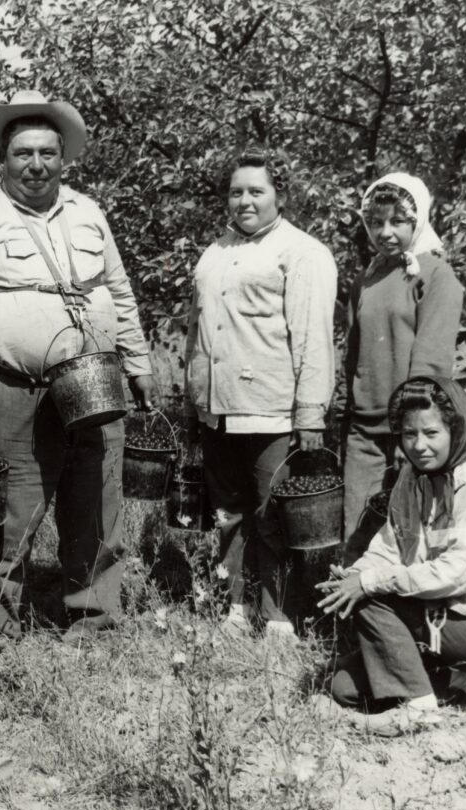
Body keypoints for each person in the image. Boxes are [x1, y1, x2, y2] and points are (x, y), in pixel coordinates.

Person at [0, 90, 156, 640]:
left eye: (47, 154)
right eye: (23, 154)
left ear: (64, 158)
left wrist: (139, 362)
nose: (36, 165)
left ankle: (95, 619)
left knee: (95, 503)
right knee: (11, 511)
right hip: (11, 388)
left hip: (94, 383)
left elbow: (119, 292)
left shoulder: (88, 212)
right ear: (2, 159)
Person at [317, 376, 466, 735]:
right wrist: (351, 577)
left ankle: (418, 709)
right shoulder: (410, 479)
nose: (419, 446)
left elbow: (457, 574)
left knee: (372, 596)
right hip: (433, 613)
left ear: (455, 429)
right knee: (342, 686)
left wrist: (367, 584)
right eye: (408, 434)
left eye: (431, 434)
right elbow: (389, 547)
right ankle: (456, 681)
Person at [184, 148, 337, 642]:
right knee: (227, 513)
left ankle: (278, 617)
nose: (245, 201)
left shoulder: (301, 252)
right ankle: (235, 608)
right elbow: (197, 333)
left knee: (273, 515)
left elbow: (312, 336)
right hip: (218, 409)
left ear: (280, 195)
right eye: (236, 191)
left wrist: (310, 412)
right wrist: (193, 400)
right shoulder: (215, 252)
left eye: (257, 191)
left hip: (272, 409)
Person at [342, 173, 463, 561]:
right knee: (357, 528)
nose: (385, 232)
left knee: (411, 534)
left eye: (397, 221)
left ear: (418, 221)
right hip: (364, 429)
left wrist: (411, 433)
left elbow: (431, 360)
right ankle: (353, 618)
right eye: (376, 222)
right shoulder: (367, 278)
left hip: (411, 431)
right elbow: (352, 354)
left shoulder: (435, 275)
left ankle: (413, 617)